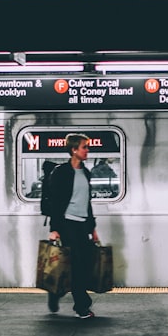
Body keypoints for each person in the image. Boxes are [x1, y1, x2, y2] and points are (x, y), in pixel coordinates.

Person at [46, 133, 100, 319]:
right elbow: (55, 202)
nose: (87, 151)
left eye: (87, 147)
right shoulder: (61, 173)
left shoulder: (85, 172)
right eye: (84, 147)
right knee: (76, 265)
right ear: (73, 150)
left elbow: (87, 202)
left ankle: (55, 292)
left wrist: (92, 228)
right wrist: (54, 229)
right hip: (67, 223)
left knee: (83, 265)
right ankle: (82, 307)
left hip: (83, 224)